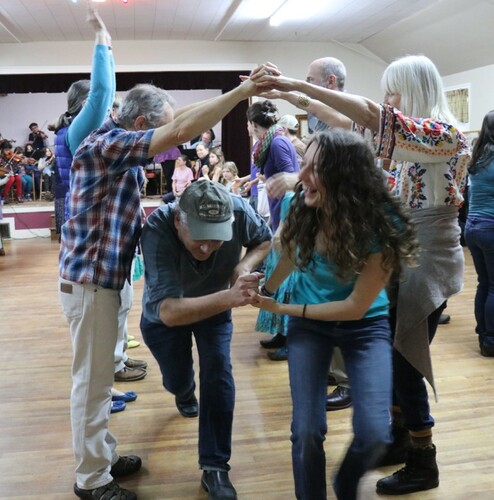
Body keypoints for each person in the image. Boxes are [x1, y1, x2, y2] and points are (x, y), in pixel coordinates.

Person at [58, 51, 273, 498]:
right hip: (91, 282)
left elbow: (179, 123)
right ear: (141, 127)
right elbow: (178, 129)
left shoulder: (118, 141)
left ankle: (105, 458)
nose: (172, 144)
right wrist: (242, 92)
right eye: (160, 133)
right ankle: (91, 480)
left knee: (100, 382)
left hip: (106, 280)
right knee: (93, 384)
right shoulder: (106, 144)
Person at [255, 53, 470, 494]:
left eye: (393, 91)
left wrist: (298, 81)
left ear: (414, 91)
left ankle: (423, 460)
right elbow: (346, 121)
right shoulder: (408, 137)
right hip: (402, 253)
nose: (387, 99)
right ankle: (396, 438)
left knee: (406, 360)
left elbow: (371, 116)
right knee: (394, 356)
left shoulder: (442, 135)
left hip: (426, 258)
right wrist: (290, 94)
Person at [251, 129, 418, 500]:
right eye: (303, 164)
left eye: (314, 168)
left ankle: (346, 482)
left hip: (364, 325)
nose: (301, 175)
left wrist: (280, 308)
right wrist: (266, 289)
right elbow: (292, 254)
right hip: (310, 328)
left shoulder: (381, 220)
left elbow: (356, 306)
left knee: (376, 432)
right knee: (307, 431)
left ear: (346, 177)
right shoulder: (301, 205)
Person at [140, 180, 272, 499]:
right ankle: (183, 391)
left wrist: (243, 265)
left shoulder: (238, 210)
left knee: (218, 371)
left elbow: (264, 240)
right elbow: (169, 312)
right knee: (177, 378)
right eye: (199, 238)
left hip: (216, 307)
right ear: (178, 221)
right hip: (167, 314)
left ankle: (215, 468)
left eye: (216, 240)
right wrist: (230, 296)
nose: (206, 249)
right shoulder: (157, 227)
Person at [261, 57, 353, 408]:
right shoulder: (321, 114)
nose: (305, 81)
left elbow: (341, 171)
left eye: (310, 78)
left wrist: (297, 178)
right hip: (319, 211)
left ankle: (346, 380)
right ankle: (332, 368)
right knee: (313, 286)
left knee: (335, 293)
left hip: (339, 219)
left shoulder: (344, 116)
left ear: (329, 81)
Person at [246, 99, 299, 361]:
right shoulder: (272, 141)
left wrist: (284, 226)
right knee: (279, 277)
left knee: (287, 280)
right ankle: (281, 332)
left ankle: (291, 338)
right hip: (280, 212)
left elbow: (292, 180)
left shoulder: (276, 143)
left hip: (288, 214)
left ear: (254, 124)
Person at [465, 110, 494, 357]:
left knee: (484, 282)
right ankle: (491, 341)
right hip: (489, 227)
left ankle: (484, 334)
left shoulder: (477, 157)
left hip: (472, 227)